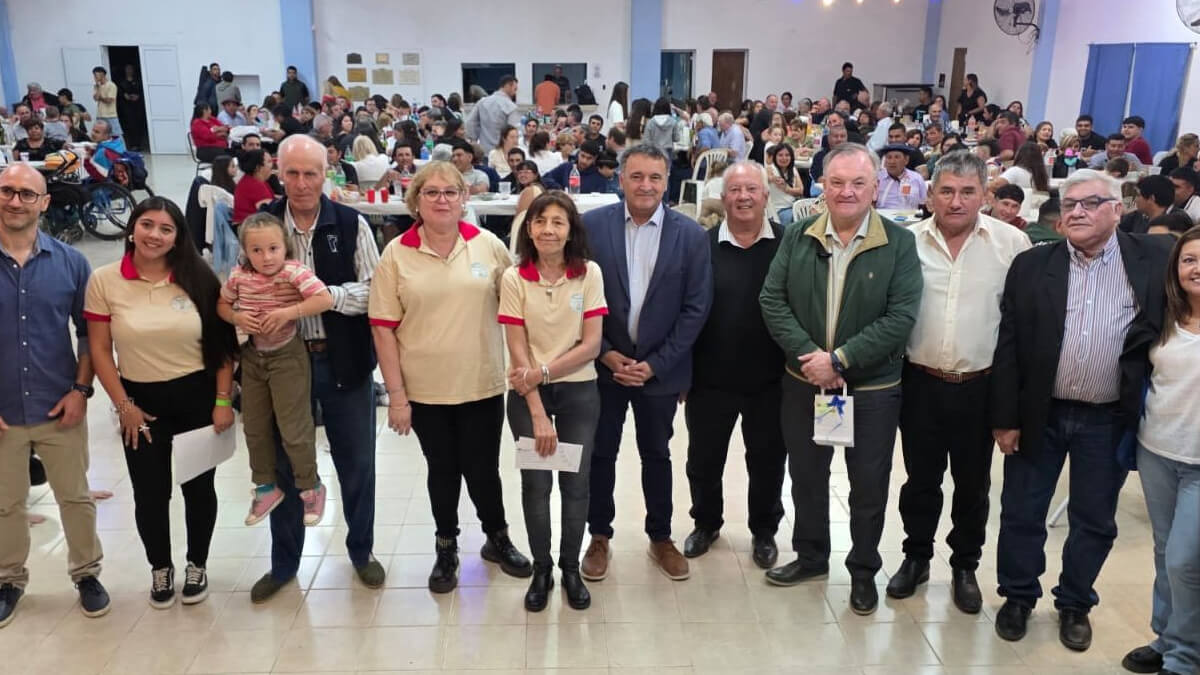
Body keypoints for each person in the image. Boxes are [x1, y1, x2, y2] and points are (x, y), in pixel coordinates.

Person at [990, 168, 1172, 651]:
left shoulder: (1154, 259)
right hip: (1040, 412)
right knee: (1022, 511)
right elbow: (1008, 345)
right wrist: (1005, 418)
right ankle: (1018, 596)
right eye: (1070, 204)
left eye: (1091, 203)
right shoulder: (1032, 265)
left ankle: (1074, 603)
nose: (1077, 212)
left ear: (1119, 209)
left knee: (1094, 518)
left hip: (1107, 418)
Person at [759, 143, 922, 616]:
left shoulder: (899, 242)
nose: (846, 192)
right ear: (822, 187)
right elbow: (772, 300)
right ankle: (811, 556)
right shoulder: (796, 234)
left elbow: (901, 316)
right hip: (804, 380)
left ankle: (864, 570)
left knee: (868, 485)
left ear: (875, 188)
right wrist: (812, 357)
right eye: (836, 183)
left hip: (870, 390)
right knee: (806, 477)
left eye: (857, 183)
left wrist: (842, 359)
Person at [369, 161, 532, 593]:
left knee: (483, 469)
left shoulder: (489, 246)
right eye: (432, 192)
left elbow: (520, 305)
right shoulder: (397, 254)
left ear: (464, 199)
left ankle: (497, 537)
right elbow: (383, 329)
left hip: (481, 382)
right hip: (425, 390)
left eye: (451, 192)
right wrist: (398, 397)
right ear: (416, 200)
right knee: (442, 470)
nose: (442, 200)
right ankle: (446, 546)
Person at [888, 152, 1032, 613]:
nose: (956, 201)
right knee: (920, 480)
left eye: (968, 191)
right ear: (930, 194)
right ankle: (915, 557)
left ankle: (965, 565)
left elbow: (1023, 328)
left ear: (985, 195)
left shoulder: (1012, 246)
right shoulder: (906, 242)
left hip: (981, 385)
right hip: (920, 382)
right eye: (946, 190)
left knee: (972, 486)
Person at [249, 135, 385, 602]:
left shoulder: (350, 224)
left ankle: (362, 552)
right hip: (281, 366)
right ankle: (284, 564)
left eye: (311, 173)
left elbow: (375, 290)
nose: (302, 184)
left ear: (326, 173)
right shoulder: (261, 225)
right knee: (285, 465)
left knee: (357, 463)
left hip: (341, 360)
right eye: (292, 173)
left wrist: (328, 299)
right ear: (277, 173)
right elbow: (233, 282)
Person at [85, 197, 237, 608]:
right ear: (132, 228)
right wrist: (123, 406)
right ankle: (160, 568)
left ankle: (197, 565)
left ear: (177, 238)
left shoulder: (198, 277)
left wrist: (223, 400)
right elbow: (100, 350)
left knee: (198, 488)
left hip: (196, 397)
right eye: (147, 225)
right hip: (140, 401)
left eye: (165, 229)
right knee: (150, 493)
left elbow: (222, 346)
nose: (154, 235)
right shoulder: (104, 280)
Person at [579, 145, 712, 582]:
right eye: (636, 176)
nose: (646, 185)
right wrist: (603, 352)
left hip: (661, 371)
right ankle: (599, 536)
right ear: (620, 179)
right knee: (601, 453)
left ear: (667, 181)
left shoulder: (690, 235)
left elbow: (696, 309)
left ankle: (660, 536)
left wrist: (655, 365)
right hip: (604, 366)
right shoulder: (592, 227)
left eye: (655, 177)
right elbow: (575, 298)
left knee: (657, 454)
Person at [0, 163, 110, 627]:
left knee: (75, 497)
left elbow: (89, 335)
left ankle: (86, 573)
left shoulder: (70, 262)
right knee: (5, 503)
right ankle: (8, 579)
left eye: (27, 194)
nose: (15, 201)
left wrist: (81, 391)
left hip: (57, 403)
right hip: (4, 409)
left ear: (44, 203)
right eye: (7, 191)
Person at [499, 191, 606, 612]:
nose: (548, 229)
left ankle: (570, 567)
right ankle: (542, 568)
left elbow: (592, 344)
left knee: (576, 485)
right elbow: (517, 348)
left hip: (579, 390)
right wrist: (538, 410)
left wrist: (543, 373)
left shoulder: (588, 274)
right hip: (528, 397)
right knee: (537, 484)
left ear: (570, 229)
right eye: (540, 221)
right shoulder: (514, 277)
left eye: (558, 222)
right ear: (528, 228)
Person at [682, 161, 785, 569]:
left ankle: (764, 530)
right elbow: (684, 311)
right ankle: (706, 523)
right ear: (723, 198)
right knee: (703, 460)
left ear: (765, 196)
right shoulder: (700, 245)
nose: (743, 197)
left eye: (751, 189)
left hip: (772, 379)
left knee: (768, 460)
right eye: (735, 190)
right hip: (710, 379)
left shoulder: (788, 243)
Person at [1118, 228, 1200, 675]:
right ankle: (1166, 637)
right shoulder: (1164, 317)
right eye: (1188, 259)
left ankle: (1186, 658)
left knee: (1187, 560)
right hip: (1158, 451)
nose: (1196, 268)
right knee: (1165, 551)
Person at [218, 212, 331, 526]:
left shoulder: (293, 272)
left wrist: (287, 312)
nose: (266, 257)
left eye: (273, 249)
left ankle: (311, 487)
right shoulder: (239, 277)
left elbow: (323, 298)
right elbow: (222, 305)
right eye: (256, 250)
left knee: (293, 429)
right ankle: (266, 487)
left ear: (285, 248)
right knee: (254, 426)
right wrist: (237, 318)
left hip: (287, 357)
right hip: (254, 357)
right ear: (245, 252)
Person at [465, 76, 522, 153]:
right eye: (515, 89)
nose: (515, 93)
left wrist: (474, 140)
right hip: (502, 152)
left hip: (484, 150)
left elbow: (470, 123)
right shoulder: (511, 106)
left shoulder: (482, 102)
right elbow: (514, 131)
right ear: (508, 86)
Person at [876, 144, 928, 210]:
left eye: (897, 157)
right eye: (889, 157)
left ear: (906, 160)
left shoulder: (917, 178)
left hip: (910, 218)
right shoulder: (878, 178)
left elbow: (924, 203)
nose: (892, 161)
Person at [232, 149, 276, 226]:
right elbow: (269, 212)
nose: (273, 165)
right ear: (258, 167)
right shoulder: (254, 186)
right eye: (269, 162)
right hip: (251, 229)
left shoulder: (251, 180)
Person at [766, 144, 807, 224]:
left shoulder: (793, 169)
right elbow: (767, 177)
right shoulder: (770, 169)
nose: (784, 158)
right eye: (780, 155)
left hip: (794, 206)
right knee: (796, 219)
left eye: (787, 155)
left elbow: (800, 190)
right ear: (775, 157)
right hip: (778, 210)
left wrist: (786, 188)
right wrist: (773, 179)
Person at [116, 64, 147, 151]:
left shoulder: (138, 81)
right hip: (126, 107)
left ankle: (138, 144)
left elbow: (142, 91)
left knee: (138, 125)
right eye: (127, 69)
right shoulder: (121, 82)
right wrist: (125, 95)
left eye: (130, 69)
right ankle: (131, 144)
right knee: (129, 125)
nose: (129, 70)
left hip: (137, 106)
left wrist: (138, 96)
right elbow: (119, 93)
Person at [91, 66, 122, 138]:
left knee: (116, 134)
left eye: (96, 75)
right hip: (100, 115)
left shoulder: (111, 85)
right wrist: (98, 87)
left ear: (102, 74)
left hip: (110, 115)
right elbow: (95, 98)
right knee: (101, 135)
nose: (95, 77)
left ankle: (121, 148)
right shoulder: (96, 86)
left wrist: (100, 98)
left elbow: (109, 100)